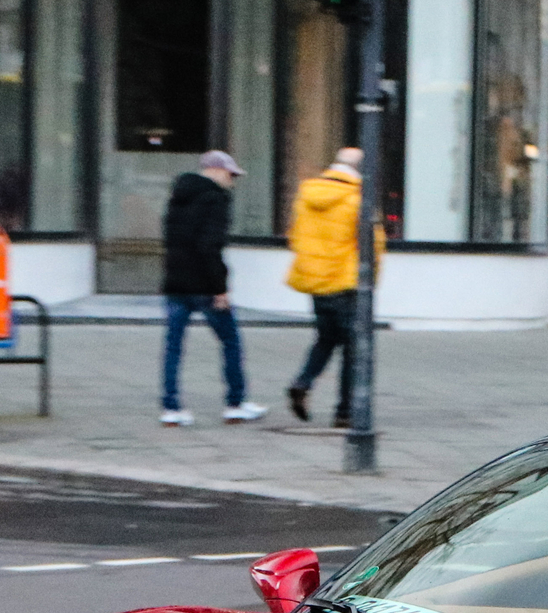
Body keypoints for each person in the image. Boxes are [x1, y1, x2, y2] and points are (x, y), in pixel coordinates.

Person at [159, 150, 263, 428]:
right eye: (231, 175)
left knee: (173, 347)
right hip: (205, 285)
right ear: (216, 170)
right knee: (230, 341)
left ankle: (171, 408)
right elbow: (210, 246)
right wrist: (220, 288)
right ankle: (235, 403)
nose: (233, 181)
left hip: (175, 283)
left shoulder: (177, 196)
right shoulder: (215, 198)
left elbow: (170, 239)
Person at [284, 146, 384, 425]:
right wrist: (372, 280)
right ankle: (345, 412)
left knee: (326, 339)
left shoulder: (306, 194)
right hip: (346, 283)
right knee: (354, 348)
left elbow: (295, 236)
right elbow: (372, 244)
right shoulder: (358, 198)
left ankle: (303, 383)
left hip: (316, 282)